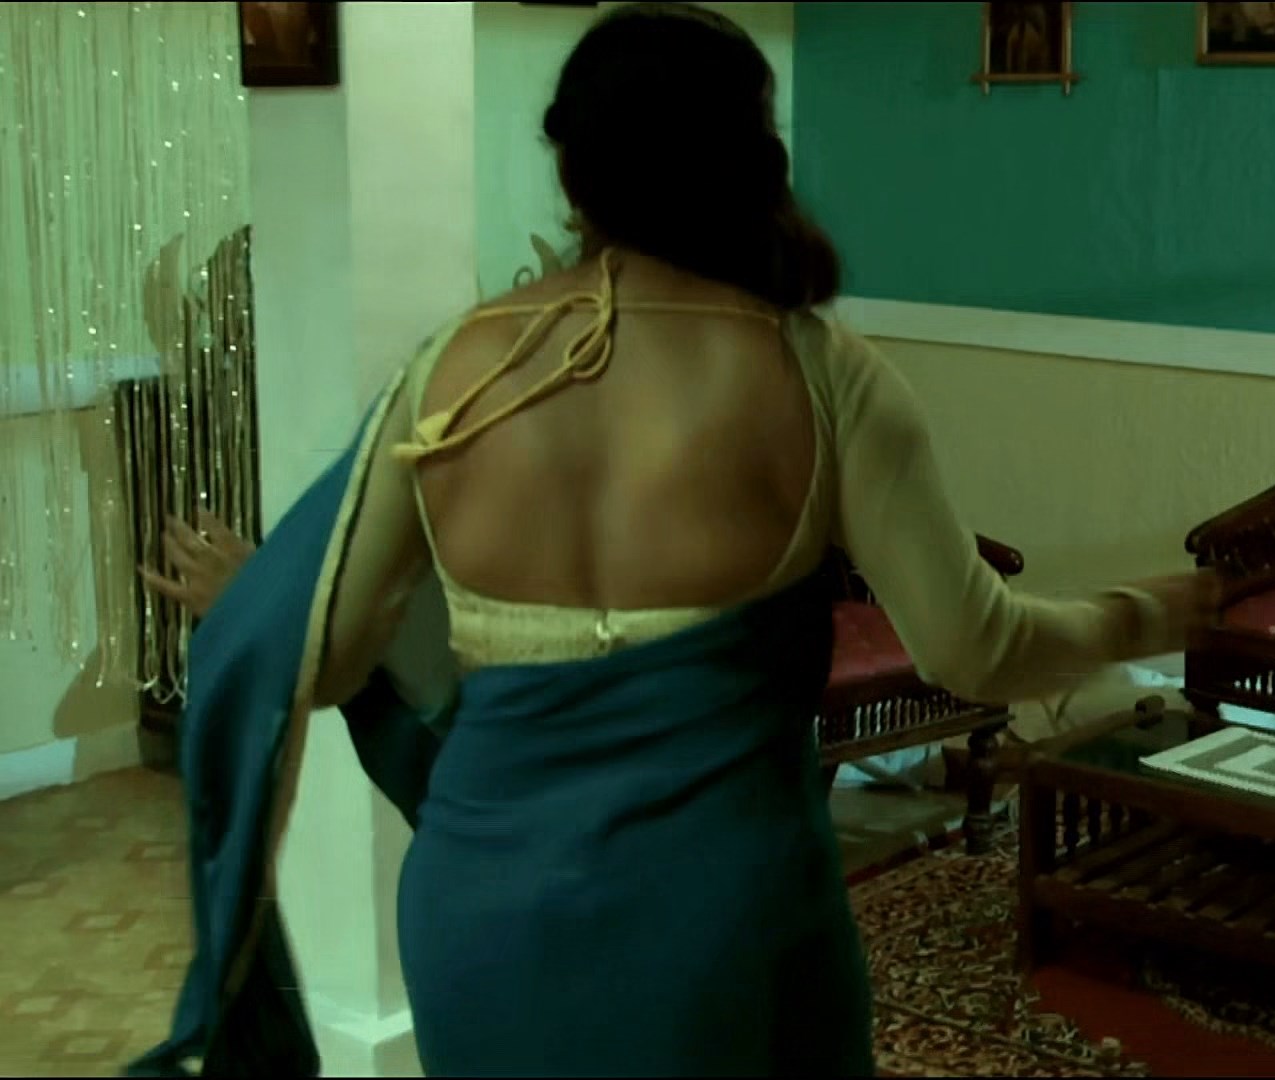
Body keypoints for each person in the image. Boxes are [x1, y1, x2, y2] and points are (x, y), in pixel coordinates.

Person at [141, 4, 1217, 1076]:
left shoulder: (455, 369)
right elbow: (977, 650)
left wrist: (253, 600)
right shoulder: (821, 373)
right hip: (715, 923)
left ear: (573, 170)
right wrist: (1148, 614)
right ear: (753, 159)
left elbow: (326, 660)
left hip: (484, 918)